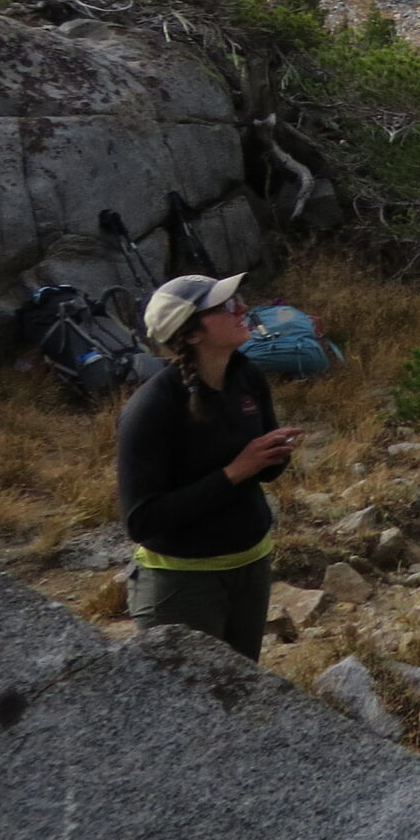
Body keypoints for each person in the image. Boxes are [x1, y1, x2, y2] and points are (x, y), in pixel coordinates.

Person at [116, 273, 301, 660]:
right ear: (192, 333)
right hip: (181, 583)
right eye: (225, 306)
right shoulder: (152, 408)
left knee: (241, 692)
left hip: (251, 565)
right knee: (190, 707)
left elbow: (262, 473)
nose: (243, 309)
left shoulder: (245, 375)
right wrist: (235, 471)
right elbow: (142, 520)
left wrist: (273, 457)